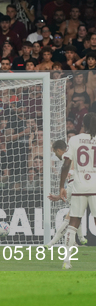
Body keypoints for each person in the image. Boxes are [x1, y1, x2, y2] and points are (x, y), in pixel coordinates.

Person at [59, 113, 96, 269]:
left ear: (84, 124)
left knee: (73, 223)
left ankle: (67, 261)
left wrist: (61, 186)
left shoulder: (74, 139)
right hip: (95, 185)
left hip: (79, 185)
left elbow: (66, 164)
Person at [47, 140, 87, 248]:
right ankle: (78, 238)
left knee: (74, 215)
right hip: (77, 186)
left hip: (76, 185)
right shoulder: (77, 154)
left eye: (55, 152)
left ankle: (53, 243)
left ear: (59, 150)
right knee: (74, 215)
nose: (55, 154)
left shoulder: (70, 156)